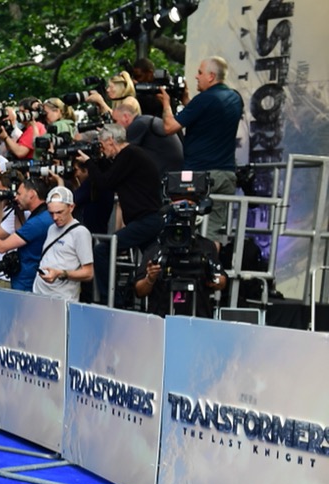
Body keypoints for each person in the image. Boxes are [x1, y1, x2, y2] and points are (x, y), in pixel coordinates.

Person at [158, 56, 245, 244]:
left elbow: (169, 127)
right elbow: (209, 116)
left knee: (182, 226)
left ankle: (183, 271)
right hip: (227, 175)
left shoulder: (204, 99)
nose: (196, 77)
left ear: (211, 76)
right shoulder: (235, 98)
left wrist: (166, 103)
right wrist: (187, 101)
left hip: (199, 177)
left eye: (200, 72)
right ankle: (211, 271)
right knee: (212, 233)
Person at [75, 123, 163, 306]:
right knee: (154, 263)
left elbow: (105, 182)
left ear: (110, 141)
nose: (101, 148)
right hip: (145, 221)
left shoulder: (129, 154)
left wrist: (89, 162)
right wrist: (97, 160)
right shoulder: (129, 157)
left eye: (102, 144)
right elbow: (110, 175)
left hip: (146, 221)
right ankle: (150, 302)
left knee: (102, 250)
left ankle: (113, 301)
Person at [33, 186, 94, 301]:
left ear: (71, 207)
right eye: (51, 213)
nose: (55, 217)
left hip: (61, 299)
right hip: (40, 293)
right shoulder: (52, 228)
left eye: (59, 212)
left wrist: (61, 273)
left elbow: (88, 273)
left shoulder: (80, 232)